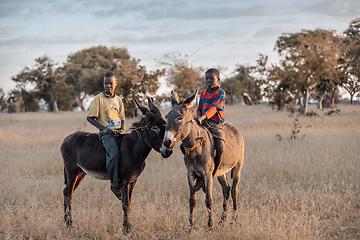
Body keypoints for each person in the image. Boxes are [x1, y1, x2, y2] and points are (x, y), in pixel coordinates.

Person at [87, 71, 125, 198]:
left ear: (116, 84)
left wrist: (123, 130)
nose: (108, 86)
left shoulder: (118, 100)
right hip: (107, 134)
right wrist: (104, 129)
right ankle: (114, 184)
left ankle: (126, 179)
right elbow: (90, 118)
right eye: (105, 83)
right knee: (113, 154)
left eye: (111, 83)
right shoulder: (98, 99)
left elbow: (122, 118)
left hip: (119, 132)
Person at [195, 68, 225, 177]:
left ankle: (213, 173)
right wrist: (199, 117)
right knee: (185, 145)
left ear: (218, 79)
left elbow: (214, 109)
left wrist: (202, 118)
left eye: (212, 78)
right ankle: (195, 168)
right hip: (202, 124)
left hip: (216, 125)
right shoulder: (203, 94)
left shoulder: (220, 93)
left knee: (220, 148)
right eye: (206, 79)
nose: (208, 81)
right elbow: (199, 108)